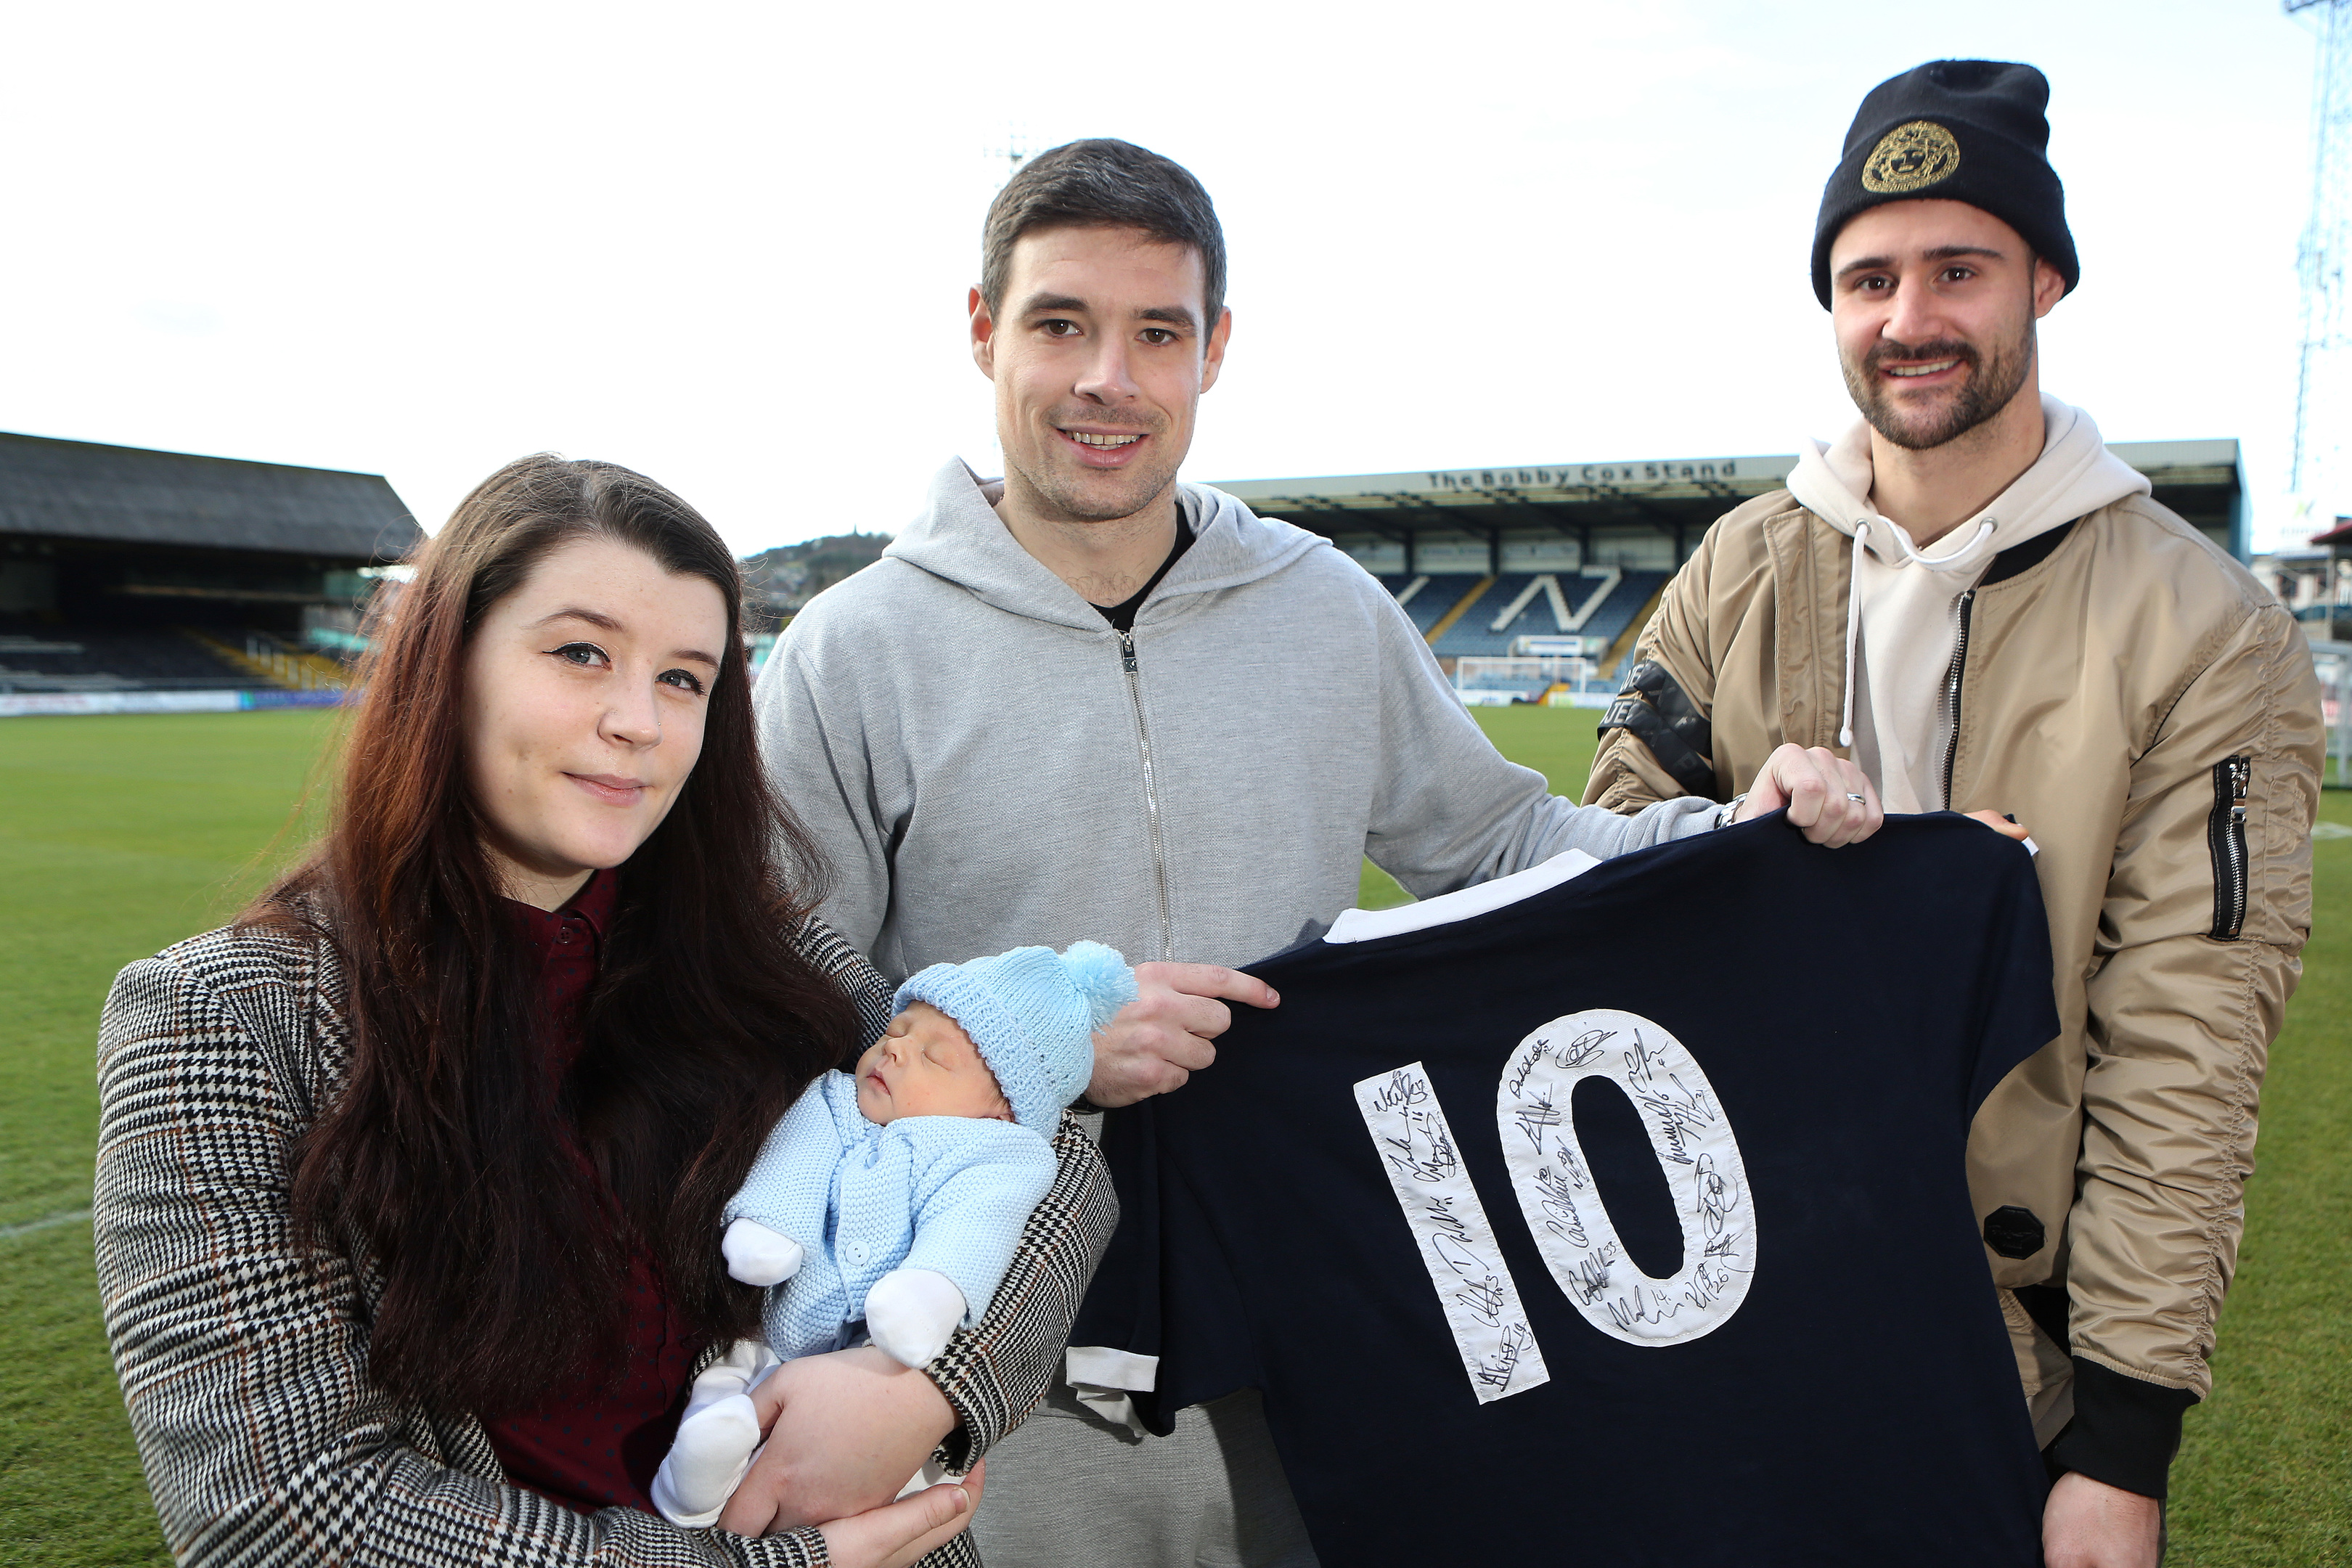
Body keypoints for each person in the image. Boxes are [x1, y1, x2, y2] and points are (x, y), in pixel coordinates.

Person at [752, 137, 1882, 1568]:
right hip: (993, 1319)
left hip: (1323, 1287)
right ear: (983, 332)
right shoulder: (855, 651)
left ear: (1214, 351)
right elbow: (779, 974)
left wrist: (1738, 840)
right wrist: (1030, 1055)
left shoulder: (1323, 608)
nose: (1109, 377)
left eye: (1157, 332)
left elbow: (1508, 841)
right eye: (1060, 325)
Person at [93, 454, 1118, 1568]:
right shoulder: (218, 1018)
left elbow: (1052, 1159)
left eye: (685, 679)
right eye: (582, 654)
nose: (640, 721)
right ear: (448, 664)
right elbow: (283, 1515)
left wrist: (919, 1390)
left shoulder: (768, 949)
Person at [1583, 60, 2322, 1568]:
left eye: (1957, 270)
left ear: (2043, 280)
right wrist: (1746, 851)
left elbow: (2187, 1052)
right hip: (1725, 1295)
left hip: (2001, 1352)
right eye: (1868, 279)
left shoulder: (2203, 624)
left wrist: (2119, 1446)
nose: (1908, 319)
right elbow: (1598, 882)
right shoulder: (1738, 567)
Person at [656, 942, 1131, 1527]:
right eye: (896, 1032)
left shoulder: (998, 1158)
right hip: (772, 1332)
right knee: (727, 1381)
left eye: (933, 1056)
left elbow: (974, 1228)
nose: (895, 1049)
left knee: (898, 1487)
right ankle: (694, 1480)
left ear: (1001, 1113)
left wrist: (931, 1290)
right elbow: (794, 1165)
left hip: (875, 1363)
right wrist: (771, 1227)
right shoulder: (832, 1103)